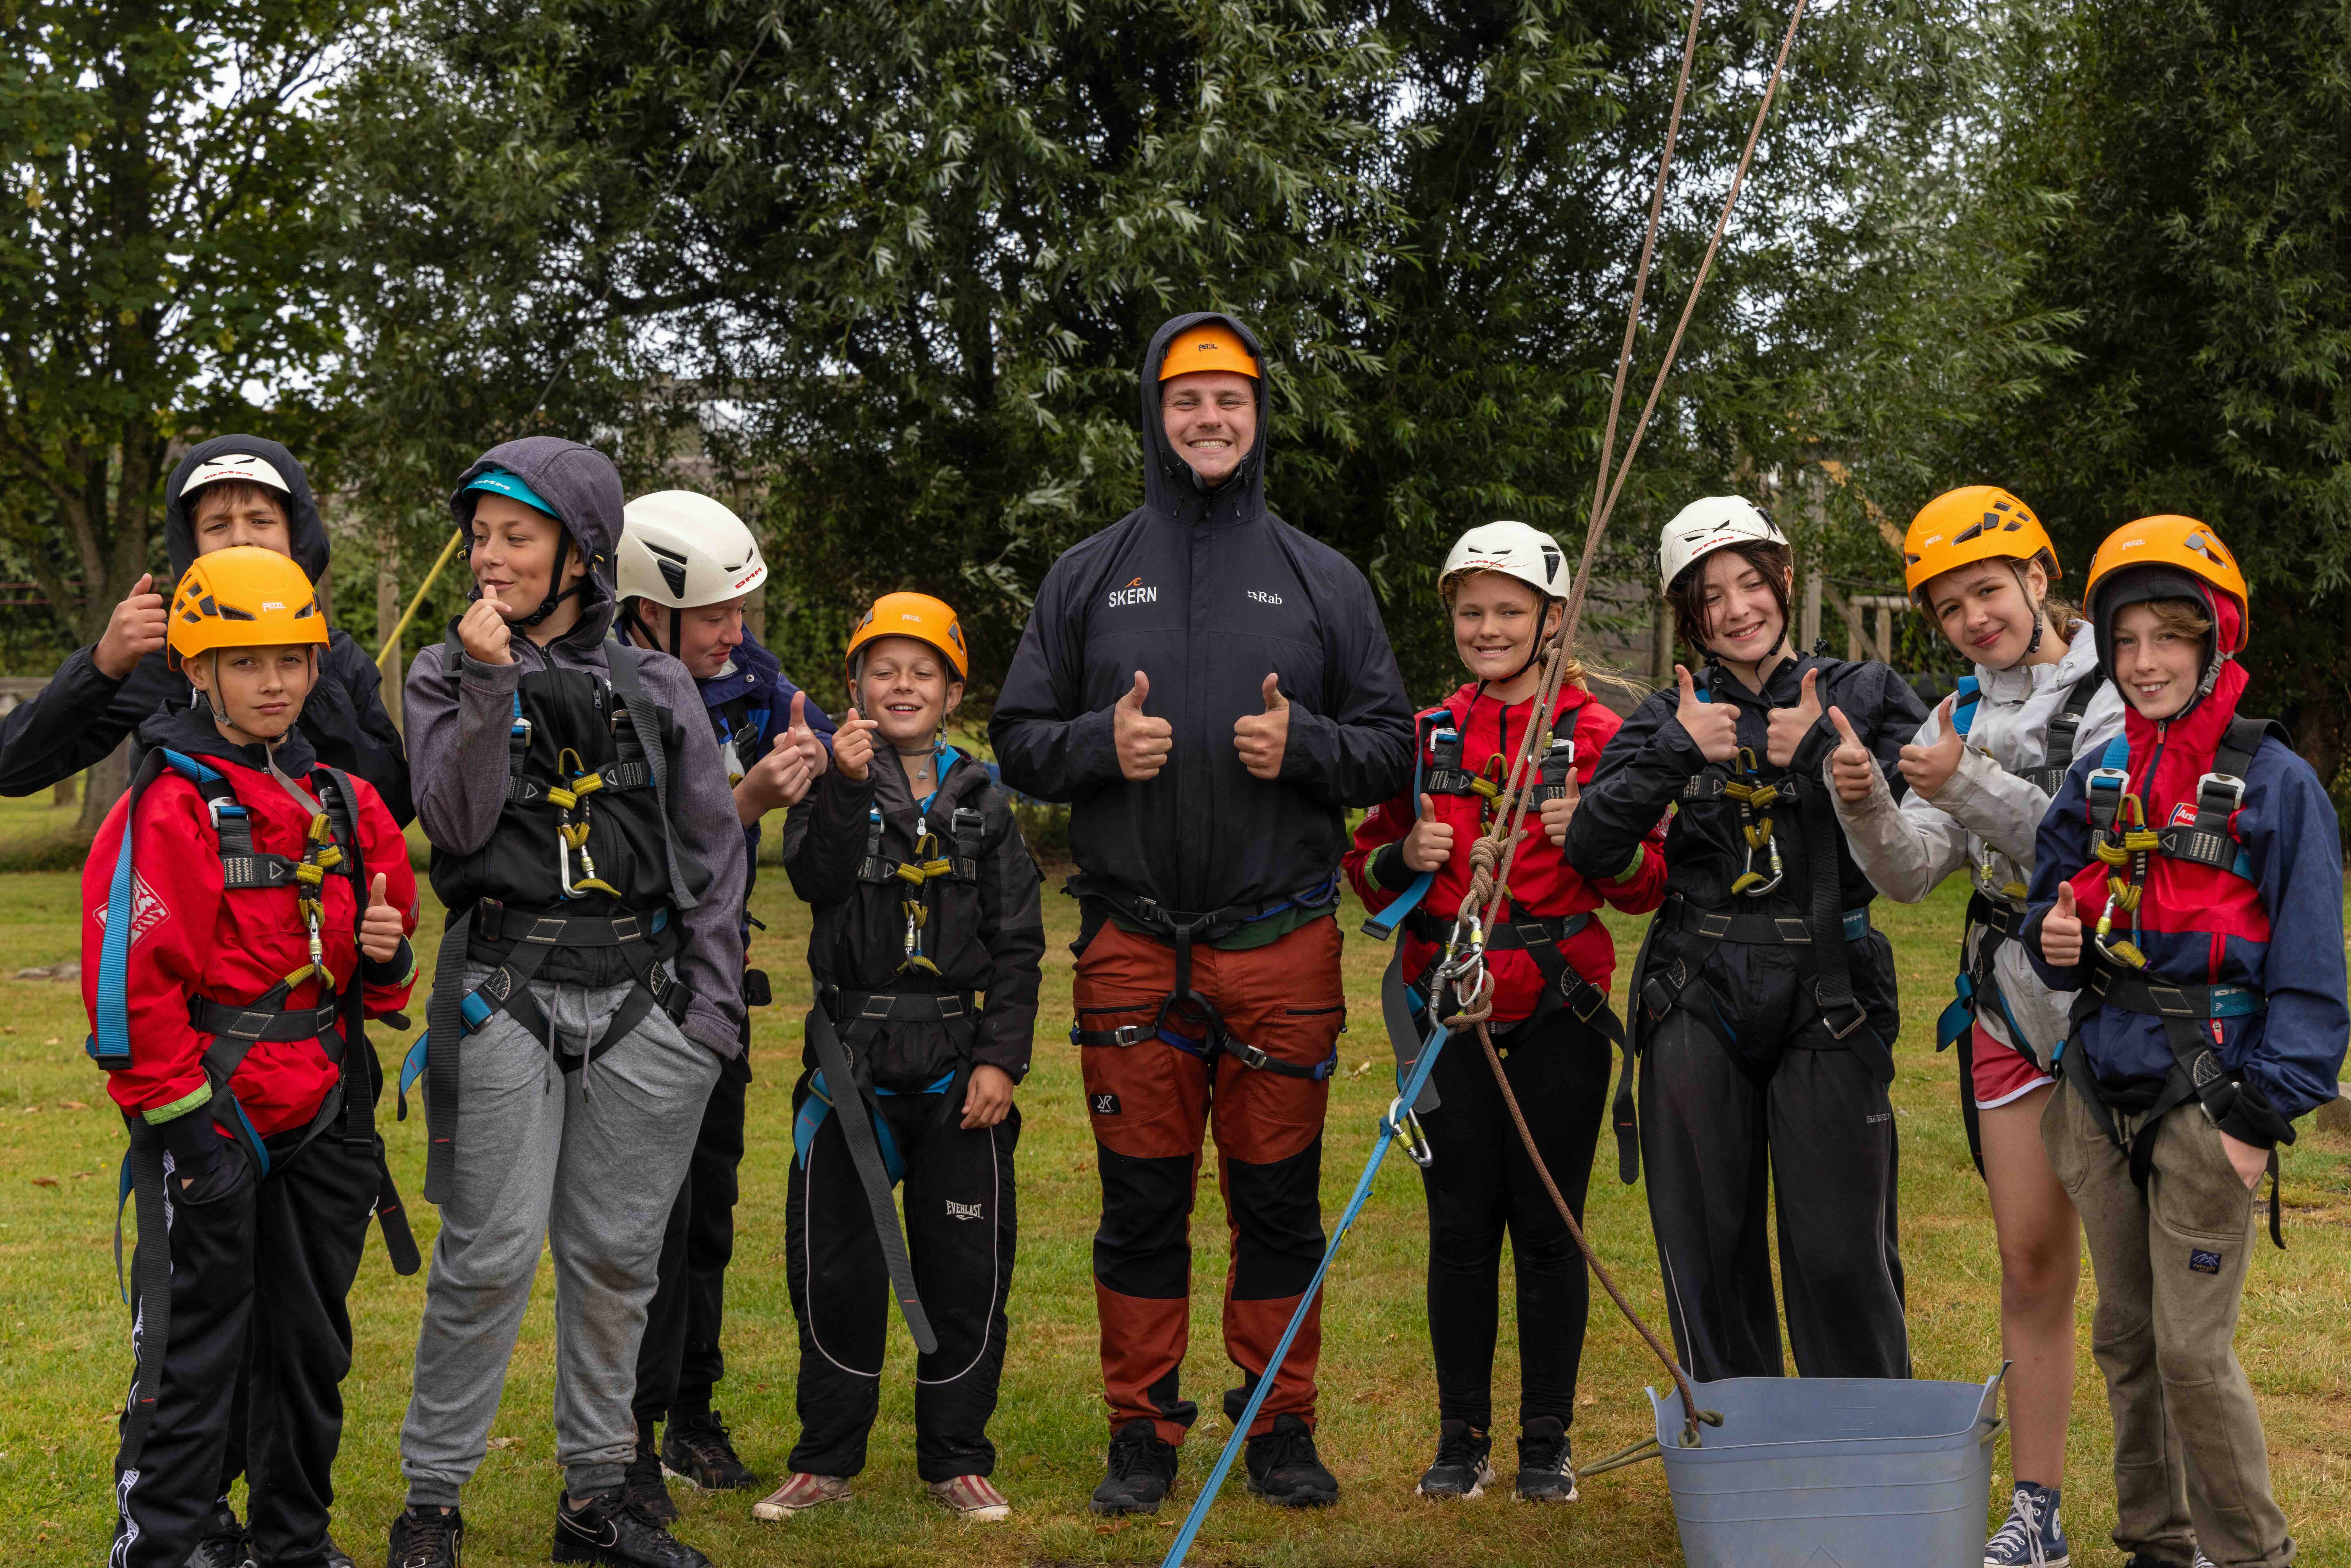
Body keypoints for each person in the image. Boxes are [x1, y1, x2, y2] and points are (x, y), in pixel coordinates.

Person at [991, 313, 1415, 1514]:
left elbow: (1389, 749)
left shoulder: (1320, 577)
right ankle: (1140, 1429)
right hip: (1131, 941)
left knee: (1276, 1197)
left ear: (1260, 412)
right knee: (1141, 1202)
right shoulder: (1086, 572)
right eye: (1185, 400)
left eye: (1229, 398)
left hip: (1278, 940)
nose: (1208, 419)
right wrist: (1096, 744)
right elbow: (1019, 738)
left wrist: (1306, 747)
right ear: (1153, 413)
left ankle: (1278, 1423)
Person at [385, 440, 747, 1568]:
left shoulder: (660, 680)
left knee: (616, 1261)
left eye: (517, 536)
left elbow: (712, 846)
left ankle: (600, 1501)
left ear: (582, 553)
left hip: (648, 1006)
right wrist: (491, 681)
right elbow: (453, 819)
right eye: (480, 535)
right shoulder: (447, 674)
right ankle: (431, 1503)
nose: (491, 558)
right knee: (487, 1255)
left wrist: (709, 1020)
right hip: (505, 993)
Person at [80, 546, 419, 1568]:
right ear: (199, 669)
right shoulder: (170, 804)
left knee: (310, 1350)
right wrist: (188, 1126)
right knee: (194, 1357)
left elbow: (383, 982)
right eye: (246, 661)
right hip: (210, 1118)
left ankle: (294, 1541)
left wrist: (389, 954)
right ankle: (167, 1545)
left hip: (324, 1116)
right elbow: (131, 990)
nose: (274, 682)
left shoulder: (349, 805)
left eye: (292, 659)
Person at [2026, 515, 2346, 1568]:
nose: (2147, 661)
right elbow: (2046, 906)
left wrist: (2259, 1116)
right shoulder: (2103, 773)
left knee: (2191, 1352)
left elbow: (2310, 967)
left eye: (2172, 636)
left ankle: (2251, 1553)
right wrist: (2054, 934)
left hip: (2211, 1100)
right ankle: (2156, 1544)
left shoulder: (2274, 786)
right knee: (2124, 1335)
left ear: (2215, 641)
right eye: (2126, 640)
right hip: (2099, 1090)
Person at [1563, 495, 1928, 1384]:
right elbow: (1592, 851)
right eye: (1709, 599)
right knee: (1707, 1249)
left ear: (1785, 581)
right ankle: (1738, 1460)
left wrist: (1827, 761)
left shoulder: (1866, 696)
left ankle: (1866, 1457)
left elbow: (1925, 843)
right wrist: (1674, 754)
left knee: (1841, 1253)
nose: (1735, 610)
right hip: (1698, 986)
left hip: (1831, 990)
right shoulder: (1666, 716)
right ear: (1689, 619)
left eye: (1749, 584)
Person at [1824, 485, 2122, 1566]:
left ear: (2041, 576)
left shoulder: (2116, 692)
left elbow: (2091, 848)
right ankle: (2035, 1508)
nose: (1973, 619)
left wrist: (1969, 780)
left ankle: (2169, 1508)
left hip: (2119, 1003)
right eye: (1948, 607)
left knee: (2140, 1285)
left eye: (1987, 591)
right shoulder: (1958, 715)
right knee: (2030, 1262)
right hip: (2008, 1006)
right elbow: (1908, 874)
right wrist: (1861, 794)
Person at [1343, 522, 1667, 1503]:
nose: (1487, 628)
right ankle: (1459, 1438)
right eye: (1471, 611)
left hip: (1556, 1007)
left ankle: (1544, 1442)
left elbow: (1648, 886)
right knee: (1458, 1223)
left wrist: (1599, 844)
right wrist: (1408, 860)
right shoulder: (1430, 732)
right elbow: (1365, 865)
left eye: (1508, 612)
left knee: (1549, 1224)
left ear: (1552, 622)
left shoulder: (1604, 739)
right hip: (1448, 1007)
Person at [753, 591, 1043, 1525]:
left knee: (965, 1268)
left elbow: (1021, 945)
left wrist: (1001, 1059)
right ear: (856, 686)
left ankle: (957, 1455)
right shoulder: (834, 783)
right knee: (838, 1268)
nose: (904, 684)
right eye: (885, 670)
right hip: (851, 1066)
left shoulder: (986, 801)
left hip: (961, 1067)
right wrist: (839, 788)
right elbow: (815, 879)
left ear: (953, 689)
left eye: (924, 671)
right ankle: (825, 1455)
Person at [610, 491, 835, 1515]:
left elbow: (822, 749)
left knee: (708, 1212)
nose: (736, 634)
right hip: (622, 989)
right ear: (649, 608)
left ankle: (695, 1413)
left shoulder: (747, 678)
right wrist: (746, 806)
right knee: (635, 1226)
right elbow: (635, 852)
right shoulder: (603, 683)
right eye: (715, 614)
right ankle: (626, 1428)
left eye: (742, 612)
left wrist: (839, 759)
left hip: (719, 988)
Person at [0, 436, 412, 829]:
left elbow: (393, 809)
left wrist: (319, 696)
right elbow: (12, 771)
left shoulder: (334, 655)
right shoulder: (161, 656)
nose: (241, 537)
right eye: (218, 526)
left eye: (261, 520)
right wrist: (101, 667)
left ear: (296, 535)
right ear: (191, 546)